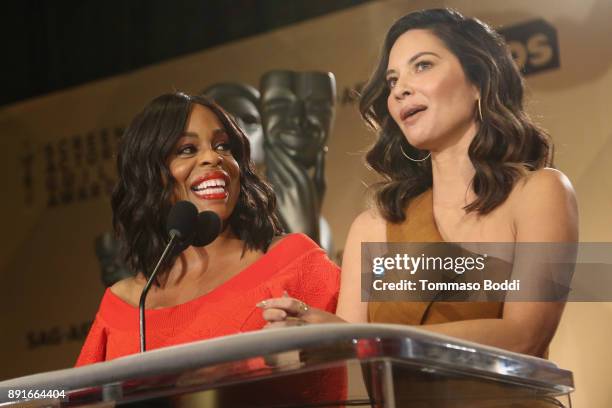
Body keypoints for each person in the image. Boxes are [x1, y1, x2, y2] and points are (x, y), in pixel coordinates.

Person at [259, 8, 578, 359]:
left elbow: (524, 336)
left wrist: (362, 337)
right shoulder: (373, 227)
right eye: (393, 80)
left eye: (422, 65)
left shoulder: (540, 193)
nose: (399, 91)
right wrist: (304, 335)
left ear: (479, 81)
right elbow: (352, 358)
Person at [76, 92, 341, 365]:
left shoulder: (293, 260)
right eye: (187, 149)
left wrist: (332, 336)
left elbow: (378, 338)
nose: (213, 158)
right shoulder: (126, 301)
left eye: (223, 146)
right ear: (149, 175)